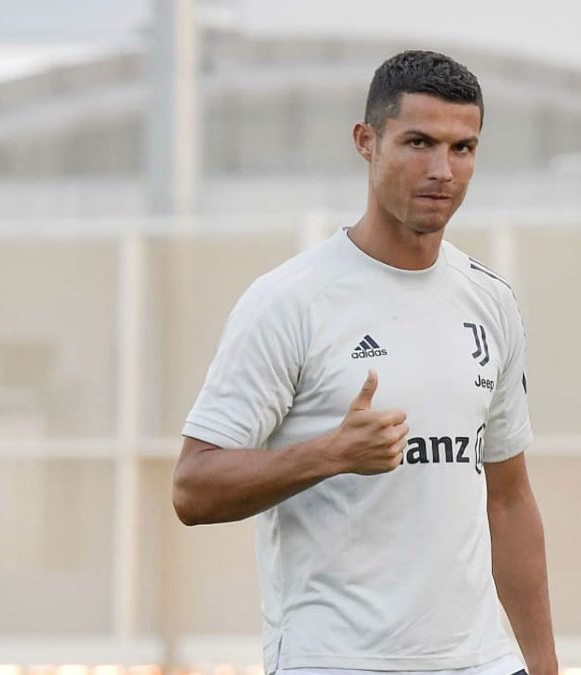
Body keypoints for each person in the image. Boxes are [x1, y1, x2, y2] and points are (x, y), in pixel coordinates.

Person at [172, 50, 556, 675]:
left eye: (462, 148)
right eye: (418, 143)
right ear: (366, 141)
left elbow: (508, 501)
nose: (442, 170)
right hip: (335, 660)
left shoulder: (491, 301)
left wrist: (543, 665)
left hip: (480, 661)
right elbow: (192, 489)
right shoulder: (290, 301)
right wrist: (332, 453)